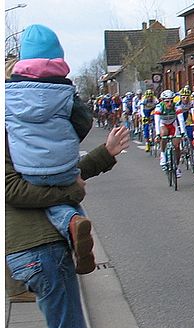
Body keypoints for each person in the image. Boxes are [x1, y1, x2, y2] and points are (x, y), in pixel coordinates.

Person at [5, 125, 130, 328]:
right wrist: (73, 190)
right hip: (40, 249)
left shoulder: (18, 130)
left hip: (33, 250)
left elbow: (53, 178)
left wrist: (105, 154)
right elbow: (14, 189)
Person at [5, 23, 96, 274]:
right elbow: (84, 121)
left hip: (26, 168)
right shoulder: (66, 92)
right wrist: (68, 138)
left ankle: (73, 225)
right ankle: (75, 228)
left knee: (45, 193)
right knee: (63, 190)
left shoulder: (8, 94)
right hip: (64, 165)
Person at [153, 89, 185, 178]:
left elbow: (181, 120)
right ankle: (163, 154)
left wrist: (182, 132)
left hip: (173, 124)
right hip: (163, 124)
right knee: (164, 133)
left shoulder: (177, 106)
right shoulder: (159, 107)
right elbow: (157, 121)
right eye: (167, 101)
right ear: (162, 101)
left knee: (177, 146)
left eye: (171, 101)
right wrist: (158, 134)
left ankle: (177, 167)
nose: (169, 104)